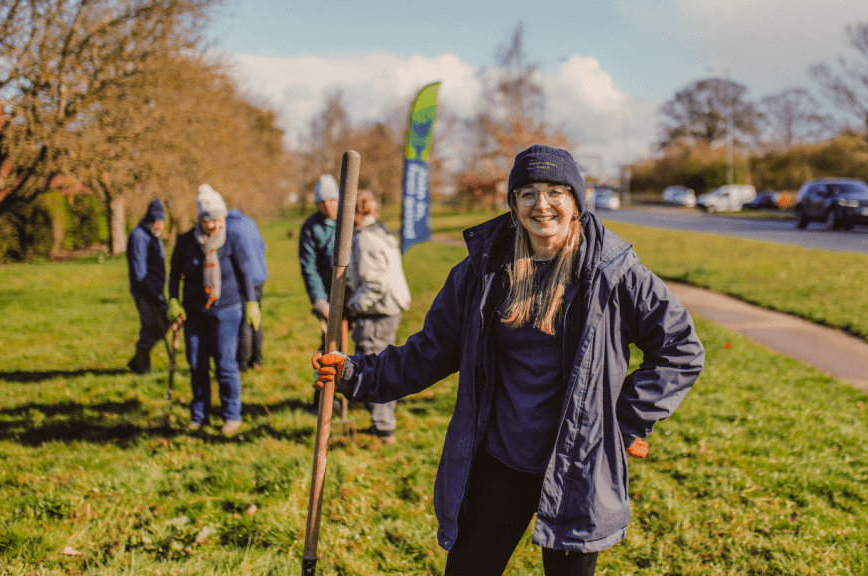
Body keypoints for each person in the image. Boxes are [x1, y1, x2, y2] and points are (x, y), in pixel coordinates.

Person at [312, 144, 705, 575]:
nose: (543, 205)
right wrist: (357, 374)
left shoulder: (614, 273)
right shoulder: (483, 270)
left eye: (556, 191)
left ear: (575, 201)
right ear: (514, 203)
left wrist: (627, 421)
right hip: (502, 458)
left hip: (578, 463)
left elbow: (681, 349)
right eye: (528, 193)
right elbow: (431, 350)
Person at [168, 184, 259, 435]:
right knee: (197, 365)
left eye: (220, 219)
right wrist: (173, 300)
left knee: (226, 365)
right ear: (200, 220)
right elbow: (175, 274)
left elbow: (244, 274)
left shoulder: (232, 239)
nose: (216, 226)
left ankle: (232, 416)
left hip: (227, 310)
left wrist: (251, 302)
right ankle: (199, 417)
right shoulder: (186, 242)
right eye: (210, 221)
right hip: (194, 312)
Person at [344, 190, 412, 444]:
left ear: (359, 212)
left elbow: (375, 283)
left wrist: (353, 306)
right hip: (388, 308)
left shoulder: (366, 240)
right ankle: (382, 421)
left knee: (375, 366)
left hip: (378, 311)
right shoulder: (381, 232)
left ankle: (383, 427)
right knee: (380, 362)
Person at [298, 174, 340, 410]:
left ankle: (360, 394)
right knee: (328, 348)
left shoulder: (350, 220)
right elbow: (309, 267)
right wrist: (320, 300)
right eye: (323, 203)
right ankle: (324, 399)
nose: (328, 206)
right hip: (328, 297)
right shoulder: (311, 228)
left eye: (332, 201)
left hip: (355, 295)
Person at [126, 199, 169, 374]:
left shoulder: (154, 236)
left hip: (155, 290)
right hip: (145, 291)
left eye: (162, 223)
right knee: (150, 326)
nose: (160, 226)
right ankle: (142, 366)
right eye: (157, 223)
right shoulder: (139, 237)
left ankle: (138, 360)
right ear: (150, 221)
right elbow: (139, 272)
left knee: (164, 323)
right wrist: (153, 294)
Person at [226, 207, 268, 371]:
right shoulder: (249, 222)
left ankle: (242, 363)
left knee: (244, 321)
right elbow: (263, 246)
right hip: (260, 277)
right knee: (256, 317)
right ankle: (257, 360)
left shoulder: (226, 226)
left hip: (244, 278)